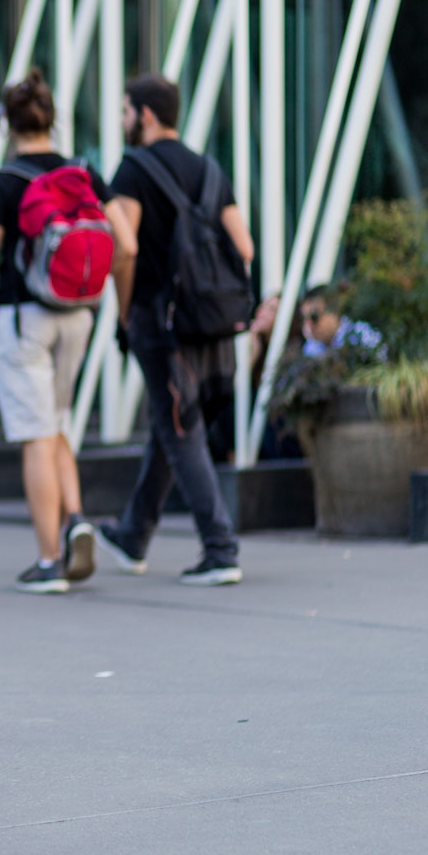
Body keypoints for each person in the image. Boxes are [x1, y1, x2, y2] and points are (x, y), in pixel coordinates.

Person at [0, 70, 137, 594]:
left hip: (22, 319)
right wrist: (117, 307)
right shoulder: (83, 172)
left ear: (7, 124)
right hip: (77, 316)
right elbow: (126, 244)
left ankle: (50, 559)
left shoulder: (5, 183)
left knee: (35, 436)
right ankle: (75, 517)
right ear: (52, 120)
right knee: (55, 424)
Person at [93, 74, 255, 586]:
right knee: (174, 422)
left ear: (144, 115)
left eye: (124, 111)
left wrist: (123, 314)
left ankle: (220, 548)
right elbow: (245, 248)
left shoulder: (133, 170)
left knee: (180, 427)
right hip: (211, 320)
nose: (122, 121)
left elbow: (126, 248)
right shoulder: (208, 168)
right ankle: (133, 533)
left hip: (160, 320)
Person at [299, 282, 382, 358]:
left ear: (332, 311)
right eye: (304, 319)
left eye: (314, 317)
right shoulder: (310, 350)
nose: (308, 325)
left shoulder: (360, 334)